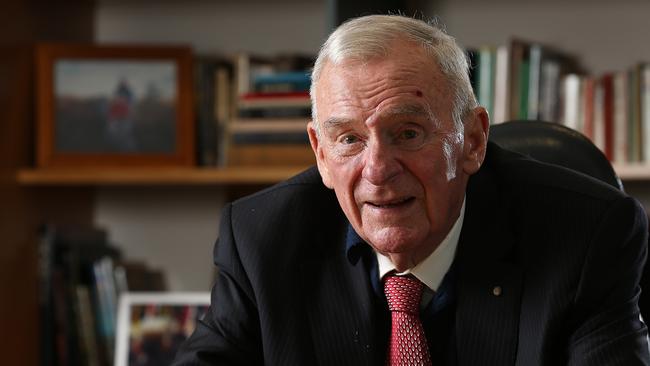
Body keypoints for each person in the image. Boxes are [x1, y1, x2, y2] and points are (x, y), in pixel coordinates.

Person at [173, 14, 650, 365]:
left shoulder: (587, 234)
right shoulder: (261, 240)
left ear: (474, 141)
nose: (377, 169)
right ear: (320, 153)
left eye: (408, 133)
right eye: (349, 139)